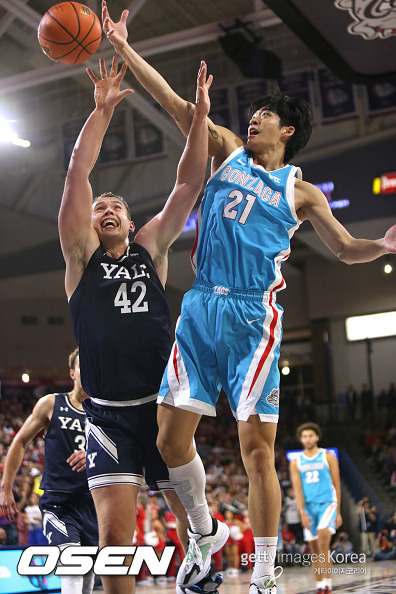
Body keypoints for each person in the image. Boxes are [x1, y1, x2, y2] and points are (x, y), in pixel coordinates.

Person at [101, 3, 396, 593]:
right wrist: (123, 49)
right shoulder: (228, 151)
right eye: (254, 114)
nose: (252, 120)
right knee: (167, 439)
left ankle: (263, 573)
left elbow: (343, 251)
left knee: (257, 449)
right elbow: (176, 105)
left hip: (253, 316)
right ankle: (205, 529)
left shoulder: (302, 192)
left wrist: (382, 244)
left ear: (285, 131)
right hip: (201, 308)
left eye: (263, 116)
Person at [58, 53, 215, 594]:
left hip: (161, 404)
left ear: (130, 221)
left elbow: (189, 184)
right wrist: (100, 112)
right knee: (115, 542)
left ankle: (201, 557)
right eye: (99, 206)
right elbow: (78, 174)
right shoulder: (80, 260)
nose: (106, 209)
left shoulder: (151, 247)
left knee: (185, 509)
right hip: (107, 416)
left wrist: (199, 119)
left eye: (116, 206)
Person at [0, 348, 98, 594]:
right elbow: (21, 441)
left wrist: (94, 457)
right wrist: (5, 487)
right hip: (60, 501)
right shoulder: (52, 403)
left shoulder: (104, 412)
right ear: (72, 373)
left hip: (95, 503)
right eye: (82, 366)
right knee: (72, 566)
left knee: (87, 579)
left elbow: (124, 454)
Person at [289, 423, 342, 594]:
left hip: (328, 504)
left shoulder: (328, 456)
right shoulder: (296, 462)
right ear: (300, 439)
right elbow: (297, 490)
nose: (308, 439)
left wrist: (338, 511)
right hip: (309, 507)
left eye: (311, 435)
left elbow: (337, 485)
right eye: (304, 436)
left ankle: (327, 583)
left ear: (317, 437)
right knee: (313, 548)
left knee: (323, 542)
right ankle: (320, 585)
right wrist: (302, 512)